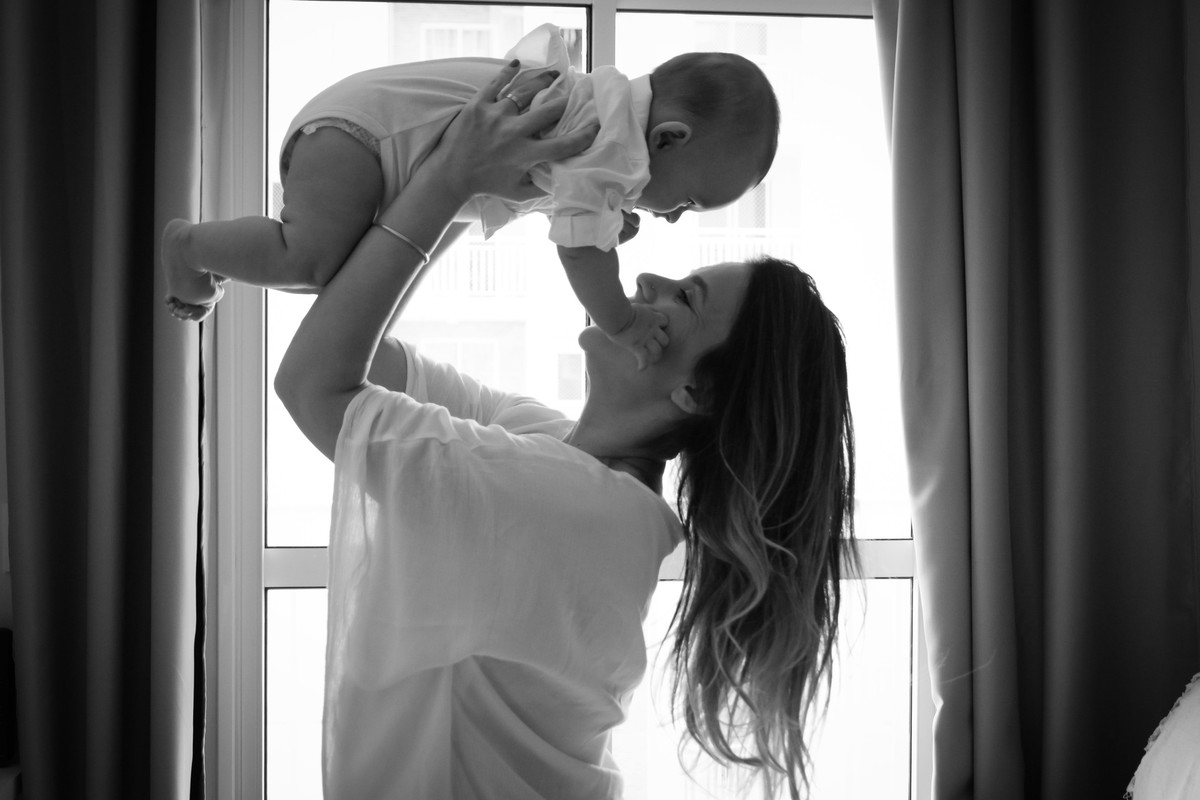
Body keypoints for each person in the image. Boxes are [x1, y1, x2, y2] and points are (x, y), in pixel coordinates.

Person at [273, 63, 853, 800]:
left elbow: (313, 381)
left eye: (684, 298)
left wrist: (451, 180)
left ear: (695, 391)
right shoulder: (556, 455)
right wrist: (472, 185)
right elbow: (363, 350)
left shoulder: (562, 502)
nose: (644, 283)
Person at [162, 23, 779, 369]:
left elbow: (560, 206)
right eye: (688, 203)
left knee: (338, 280)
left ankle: (206, 252)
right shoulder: (612, 140)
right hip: (367, 140)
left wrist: (603, 218)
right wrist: (620, 320)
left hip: (361, 133)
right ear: (669, 138)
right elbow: (580, 253)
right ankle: (190, 247)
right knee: (311, 261)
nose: (670, 218)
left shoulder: (604, 111)